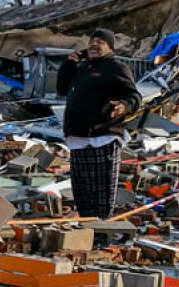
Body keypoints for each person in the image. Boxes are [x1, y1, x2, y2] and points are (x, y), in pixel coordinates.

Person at [55, 28, 141, 219]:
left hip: (103, 137)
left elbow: (134, 96)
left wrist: (123, 106)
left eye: (100, 42)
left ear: (110, 47)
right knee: (82, 193)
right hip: (78, 138)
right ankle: (86, 232)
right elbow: (61, 89)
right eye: (91, 42)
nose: (94, 44)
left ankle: (102, 234)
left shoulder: (116, 66)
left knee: (101, 195)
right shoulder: (82, 68)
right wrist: (69, 64)